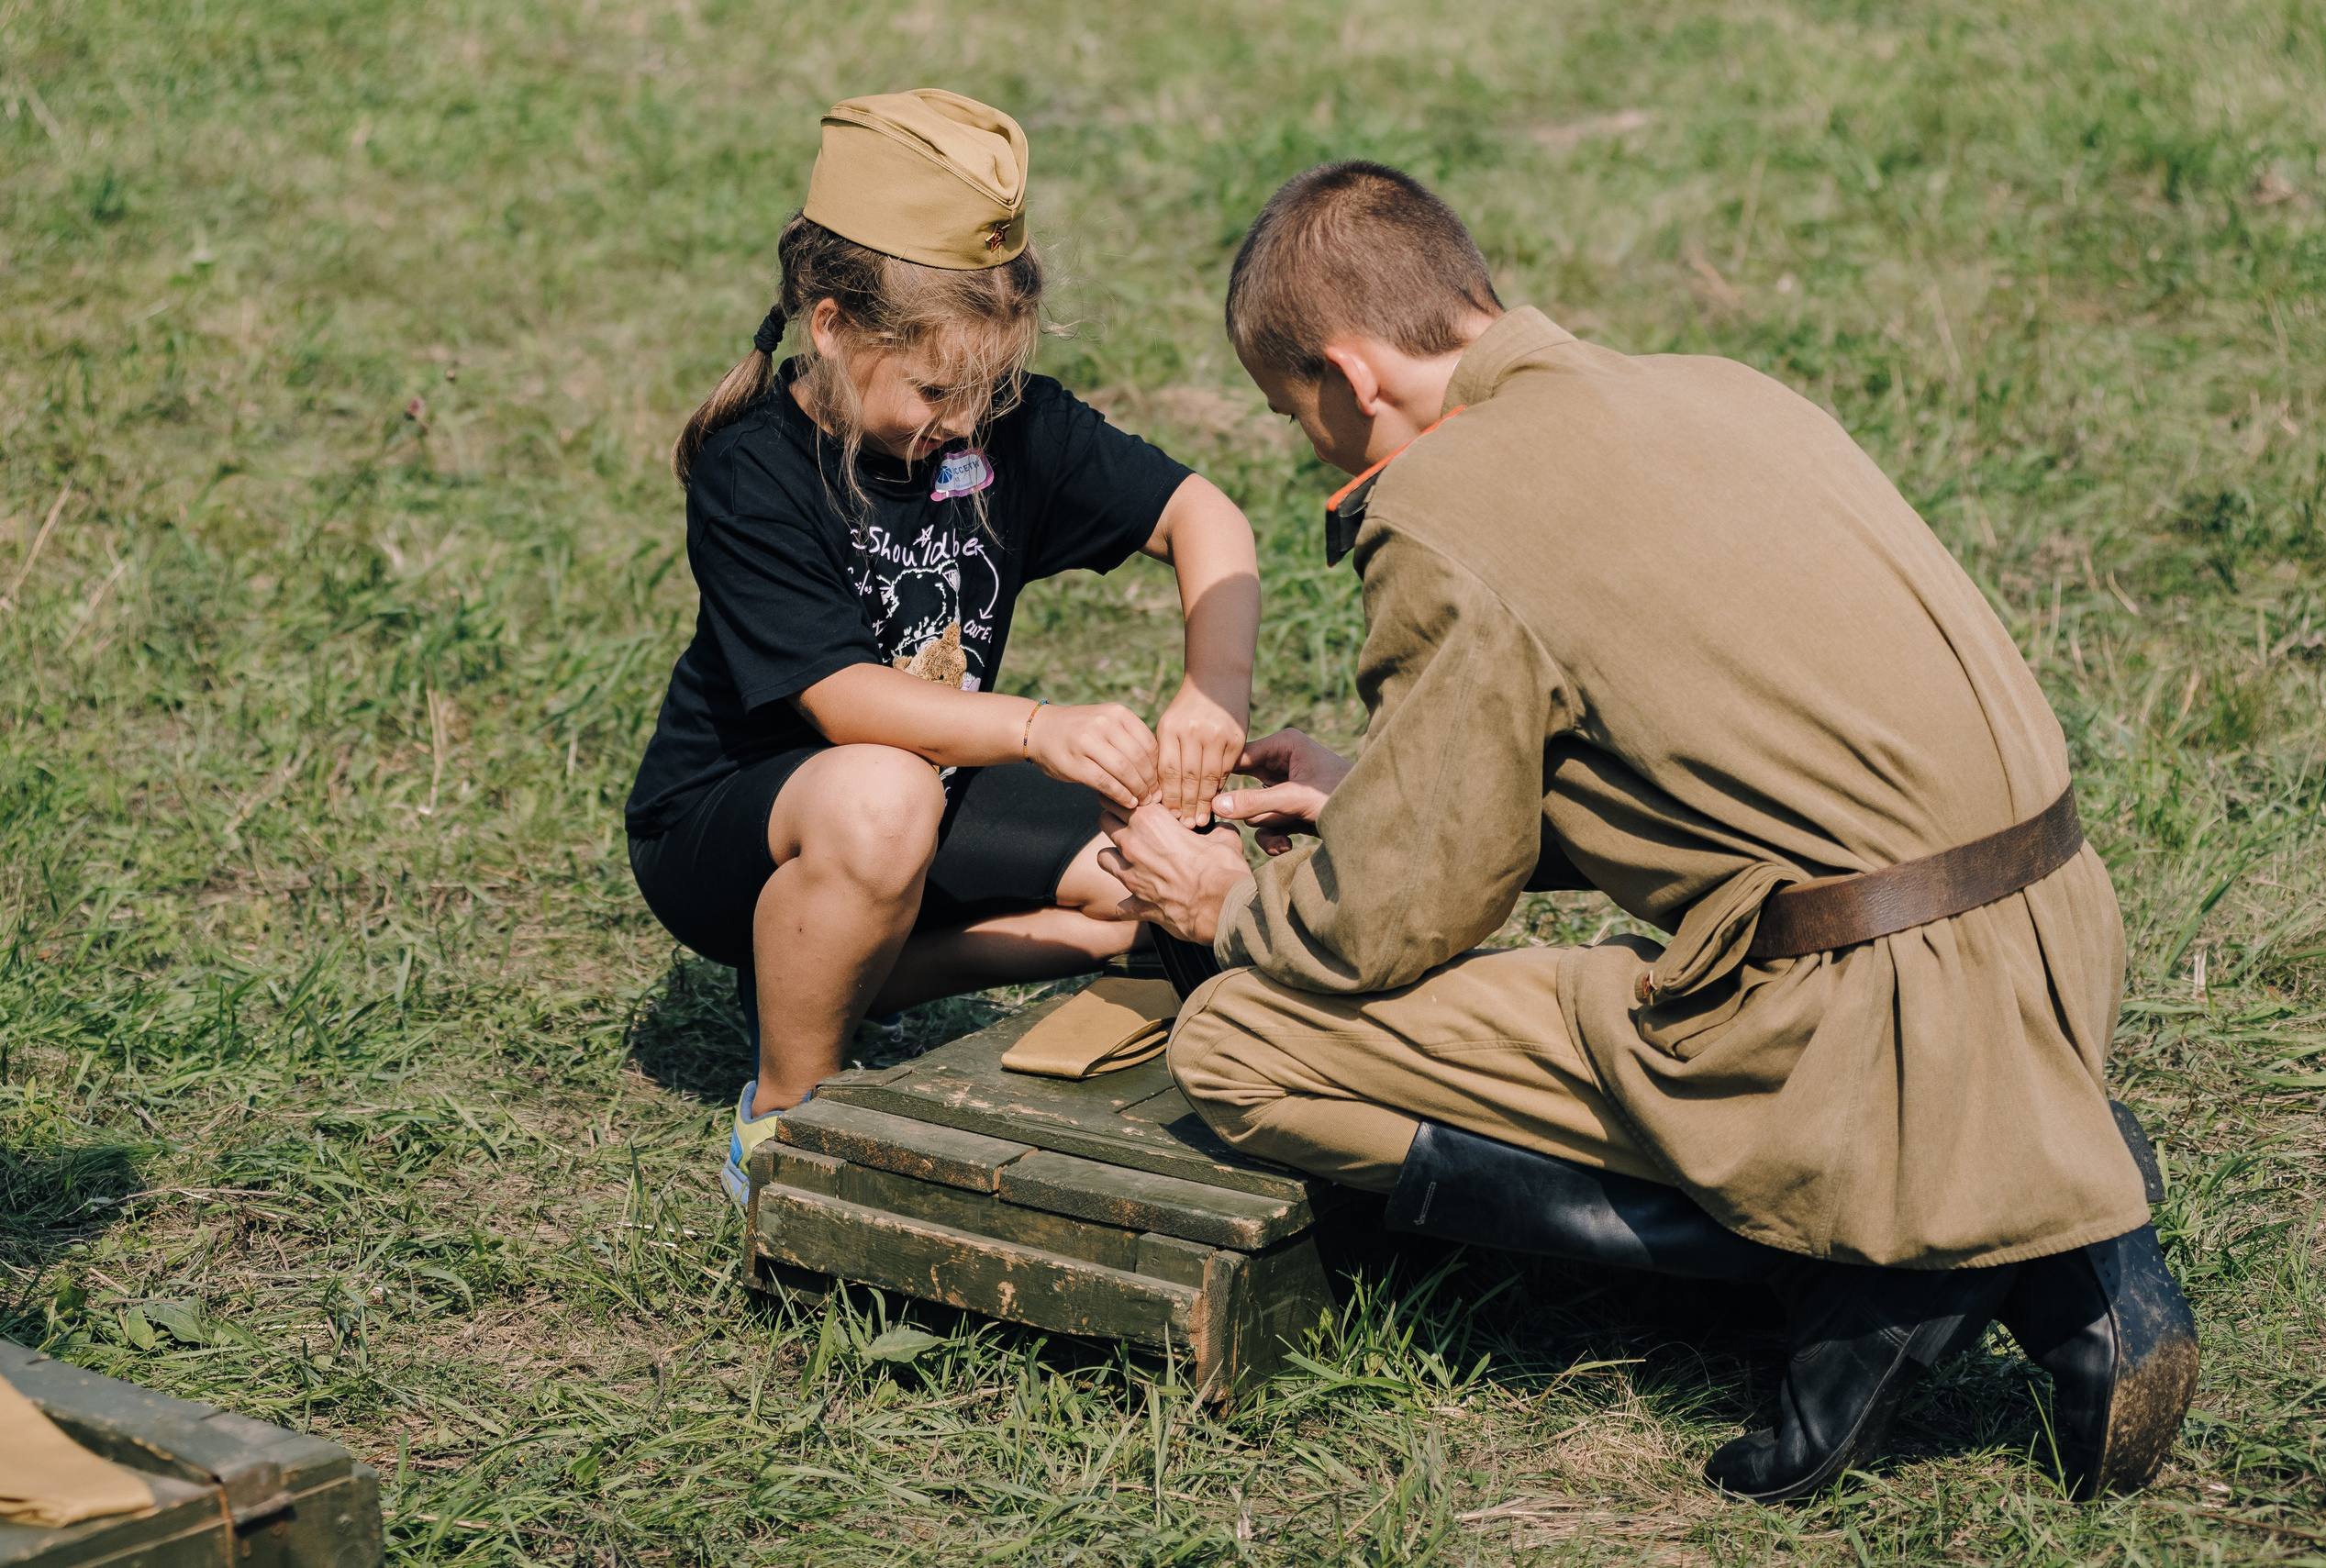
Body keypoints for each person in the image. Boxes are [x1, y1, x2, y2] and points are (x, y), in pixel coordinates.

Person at [1098, 161, 2196, 1503]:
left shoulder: (1446, 505)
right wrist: (1375, 792)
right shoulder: (1720, 388)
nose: (1312, 443)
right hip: (2054, 956)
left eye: (1296, 414)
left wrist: (1227, 905)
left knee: (1237, 1042)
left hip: (1876, 1015)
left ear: (1350, 374)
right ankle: (2027, 1175)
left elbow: (1377, 931)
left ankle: (1881, 1256)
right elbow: (1732, 746)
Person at [625, 91, 1260, 1208]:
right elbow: (843, 702)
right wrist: (1033, 727)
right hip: (735, 826)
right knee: (880, 793)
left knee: (1157, 863)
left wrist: (1211, 692)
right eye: (936, 389)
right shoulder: (751, 469)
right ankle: (787, 1110)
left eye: (991, 390)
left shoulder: (1004, 429)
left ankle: (835, 974)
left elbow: (1201, 515)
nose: (966, 421)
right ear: (830, 326)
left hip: (931, 796)